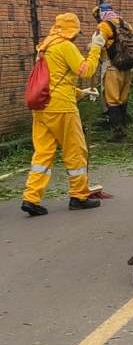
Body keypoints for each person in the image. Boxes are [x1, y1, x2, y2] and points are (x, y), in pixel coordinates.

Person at [21, 13, 106, 216]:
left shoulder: (44, 47)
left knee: (42, 154)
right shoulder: (66, 46)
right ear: (73, 31)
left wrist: (80, 92)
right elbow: (85, 71)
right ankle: (79, 196)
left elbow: (52, 81)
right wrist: (96, 47)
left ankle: (31, 198)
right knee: (75, 150)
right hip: (62, 109)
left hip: (42, 107)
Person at [94, 4, 133, 142]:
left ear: (102, 13)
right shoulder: (126, 25)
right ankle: (124, 128)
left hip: (112, 67)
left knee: (112, 100)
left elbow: (98, 44)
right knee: (123, 99)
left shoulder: (104, 26)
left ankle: (117, 133)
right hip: (126, 68)